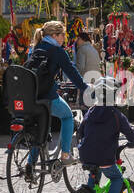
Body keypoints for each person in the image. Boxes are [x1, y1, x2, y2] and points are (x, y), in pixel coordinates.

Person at [75, 78, 134, 193]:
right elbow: (129, 132)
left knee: (94, 175)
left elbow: (80, 131)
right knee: (116, 178)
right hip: (105, 156)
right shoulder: (116, 115)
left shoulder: (90, 111)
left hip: (86, 155)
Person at [26, 20, 88, 165]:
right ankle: (65, 155)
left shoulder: (37, 46)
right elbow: (71, 72)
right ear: (54, 35)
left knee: (40, 127)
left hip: (31, 95)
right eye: (62, 35)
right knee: (67, 117)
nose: (64, 39)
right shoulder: (57, 51)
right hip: (47, 95)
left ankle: (30, 164)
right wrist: (84, 87)